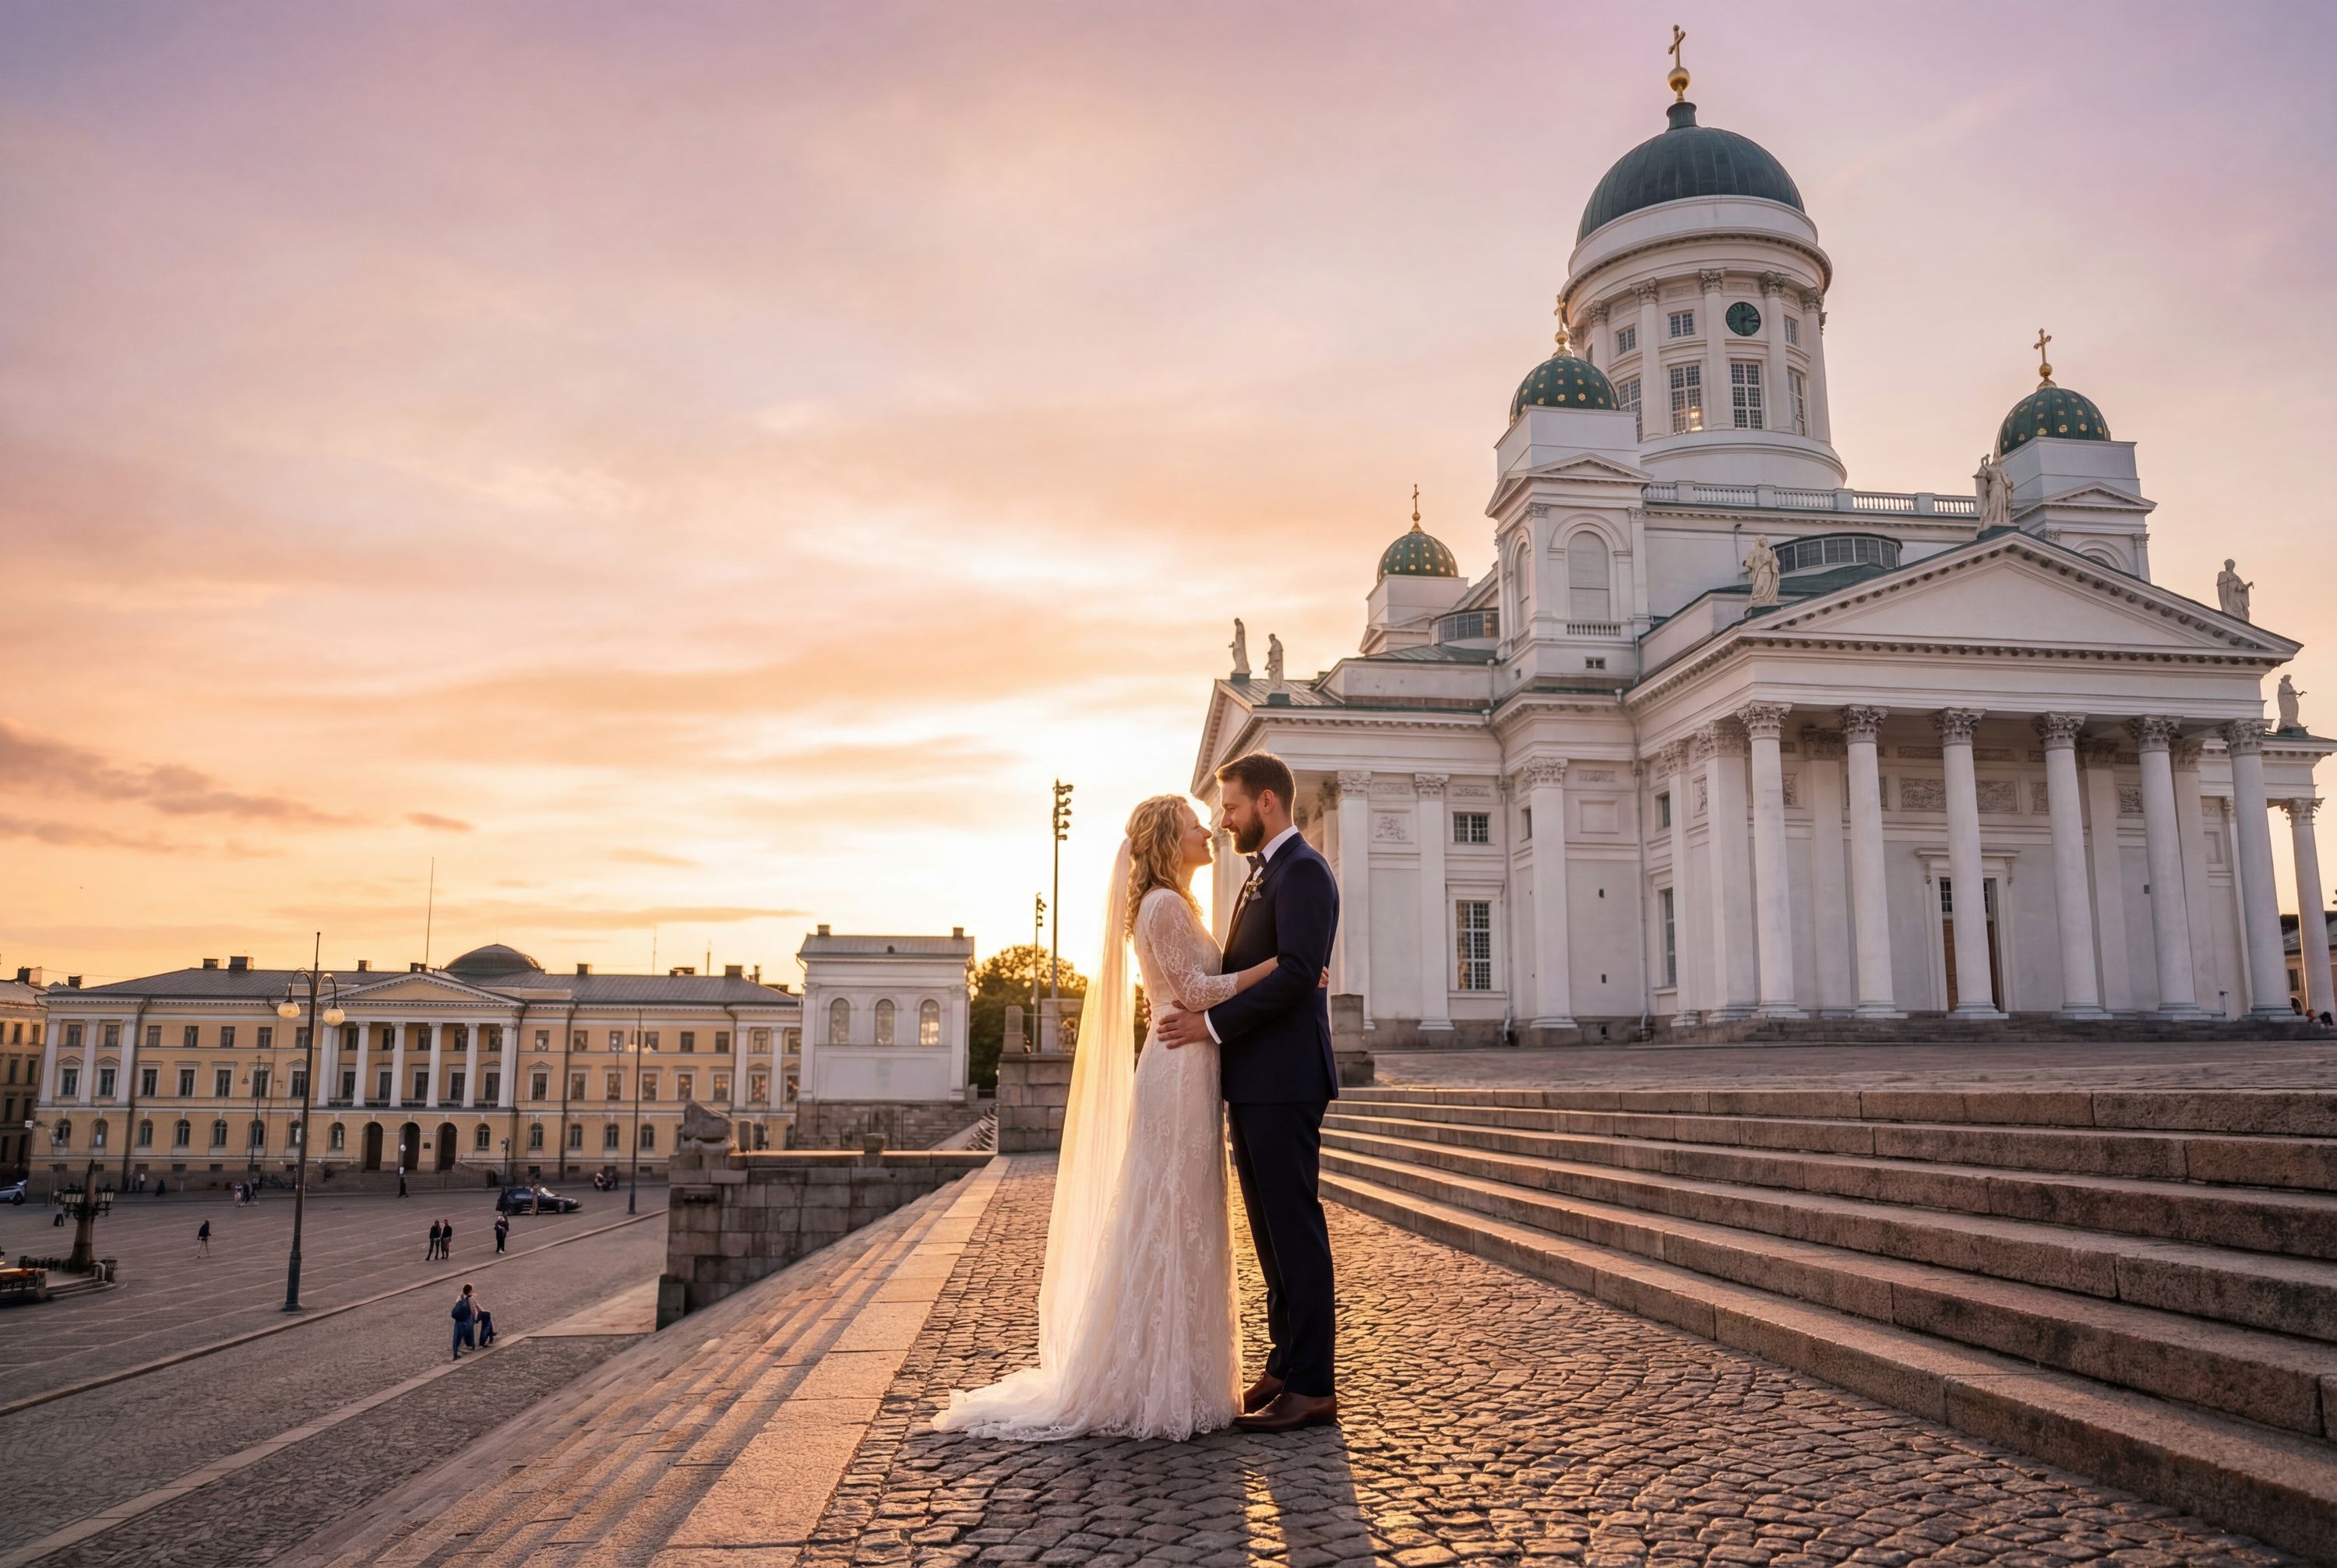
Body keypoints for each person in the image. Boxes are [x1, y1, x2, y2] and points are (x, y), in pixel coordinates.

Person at [934, 772, 1336, 1442]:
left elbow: (1259, 974)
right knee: (1206, 1218)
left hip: (1259, 1075)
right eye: (1199, 820)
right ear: (1166, 839)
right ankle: (1276, 1365)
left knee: (1268, 1224)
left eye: (1226, 809)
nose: (1215, 824)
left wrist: (1282, 971)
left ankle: (1307, 1381)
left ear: (1267, 801)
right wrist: (1276, 970)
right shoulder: (1171, 905)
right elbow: (1204, 984)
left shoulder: (1294, 873)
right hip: (1194, 1072)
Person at [451, 1284, 477, 1358]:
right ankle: (471, 1345)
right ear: (470, 1290)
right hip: (466, 1319)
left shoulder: (461, 1297)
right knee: (469, 1331)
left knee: (457, 1336)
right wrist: (474, 1318)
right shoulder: (471, 1298)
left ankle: (455, 1353)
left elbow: (456, 1305)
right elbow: (472, 1310)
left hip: (458, 1319)